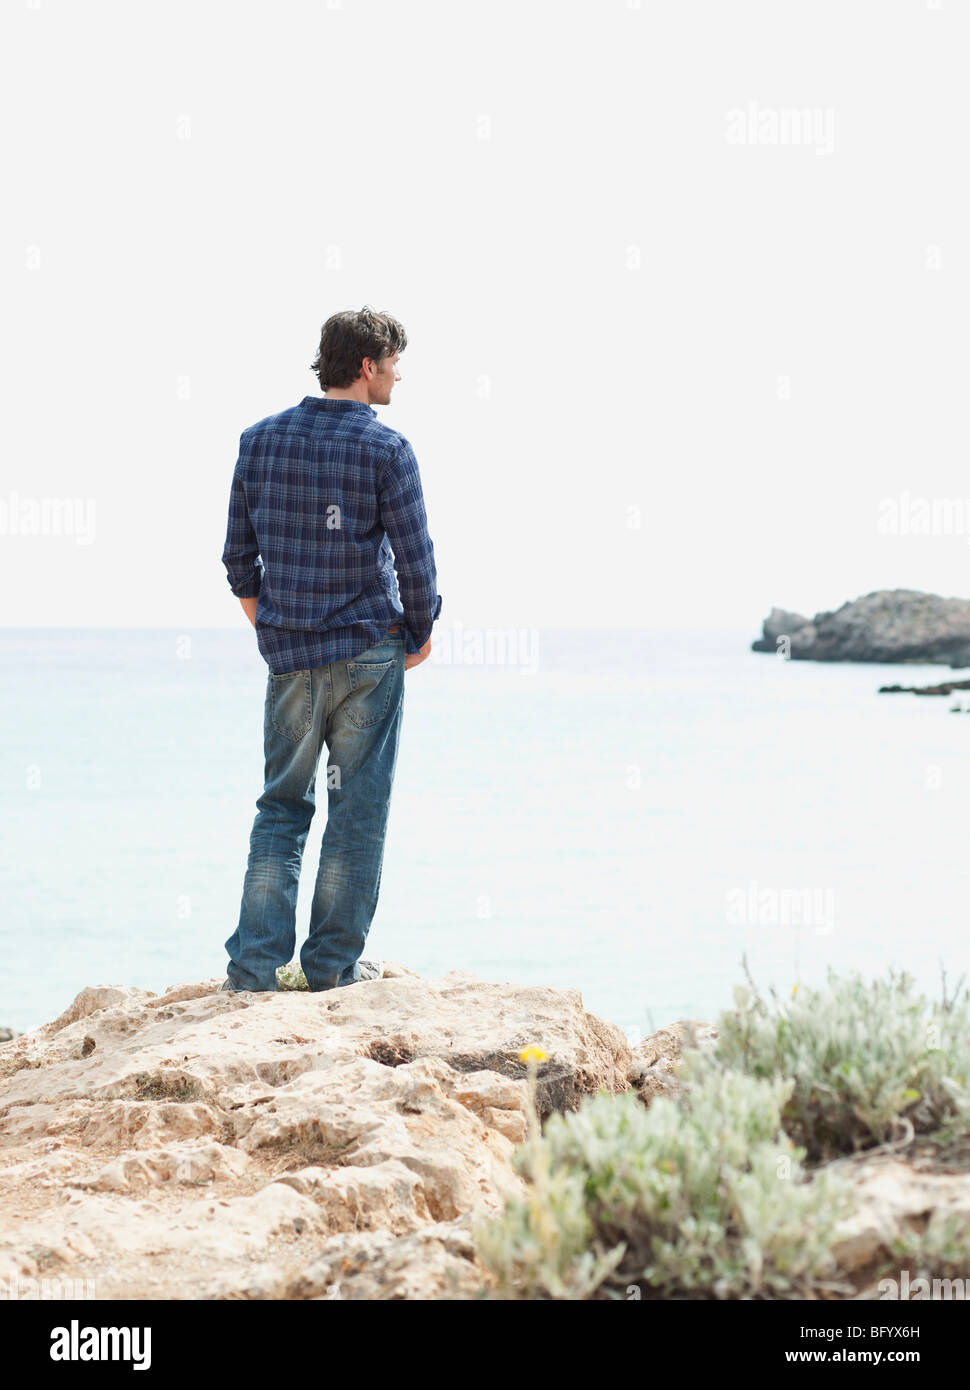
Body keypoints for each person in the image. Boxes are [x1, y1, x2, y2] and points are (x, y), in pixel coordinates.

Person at [219, 306, 441, 991]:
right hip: (369, 654)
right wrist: (420, 631)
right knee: (357, 812)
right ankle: (332, 970)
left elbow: (238, 560)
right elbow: (416, 563)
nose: (399, 377)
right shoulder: (387, 450)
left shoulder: (258, 441)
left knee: (281, 808)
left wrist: (274, 629)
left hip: (290, 656)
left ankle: (253, 971)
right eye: (395, 364)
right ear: (368, 365)